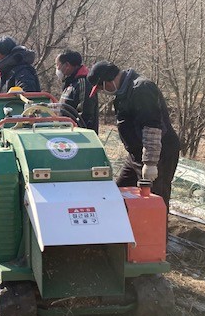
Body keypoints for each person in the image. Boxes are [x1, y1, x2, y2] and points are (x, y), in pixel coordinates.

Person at [87, 60, 180, 209]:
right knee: (119, 192)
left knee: (155, 200)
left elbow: (152, 127)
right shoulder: (123, 93)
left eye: (101, 87)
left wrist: (150, 163)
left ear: (107, 81)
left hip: (158, 152)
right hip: (136, 154)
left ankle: (158, 225)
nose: (103, 91)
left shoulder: (142, 88)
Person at [55, 49, 99, 132]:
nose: (57, 68)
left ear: (67, 65)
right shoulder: (70, 82)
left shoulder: (83, 82)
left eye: (58, 65)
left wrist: (77, 131)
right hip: (66, 132)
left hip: (77, 135)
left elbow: (85, 114)